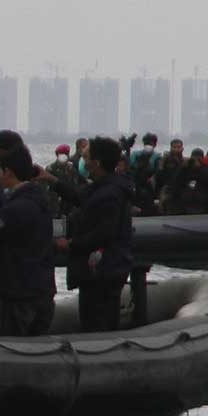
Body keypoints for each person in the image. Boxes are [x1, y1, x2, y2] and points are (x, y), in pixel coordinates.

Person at [58, 136, 135, 333]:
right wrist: (52, 181)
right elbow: (79, 196)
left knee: (98, 324)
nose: (83, 160)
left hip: (102, 272)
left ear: (97, 162)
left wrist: (72, 244)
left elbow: (103, 233)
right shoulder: (103, 187)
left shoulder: (109, 194)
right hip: (103, 270)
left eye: (86, 157)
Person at [0, 147, 57, 336]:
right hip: (43, 289)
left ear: (8, 171)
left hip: (20, 294)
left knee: (14, 349)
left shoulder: (14, 209)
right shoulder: (40, 199)